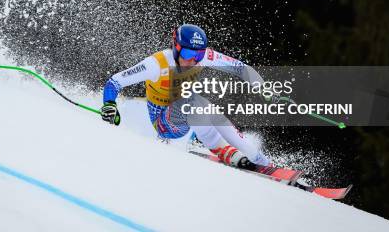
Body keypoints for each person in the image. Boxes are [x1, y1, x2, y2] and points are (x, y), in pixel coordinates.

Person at [100, 24, 271, 168]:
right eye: (188, 54)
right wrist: (109, 105)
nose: (193, 61)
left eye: (198, 55)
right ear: (176, 47)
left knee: (204, 102)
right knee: (196, 101)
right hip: (163, 124)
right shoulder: (156, 64)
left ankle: (248, 156)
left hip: (186, 114)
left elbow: (241, 68)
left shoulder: (204, 57)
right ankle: (246, 155)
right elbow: (115, 82)